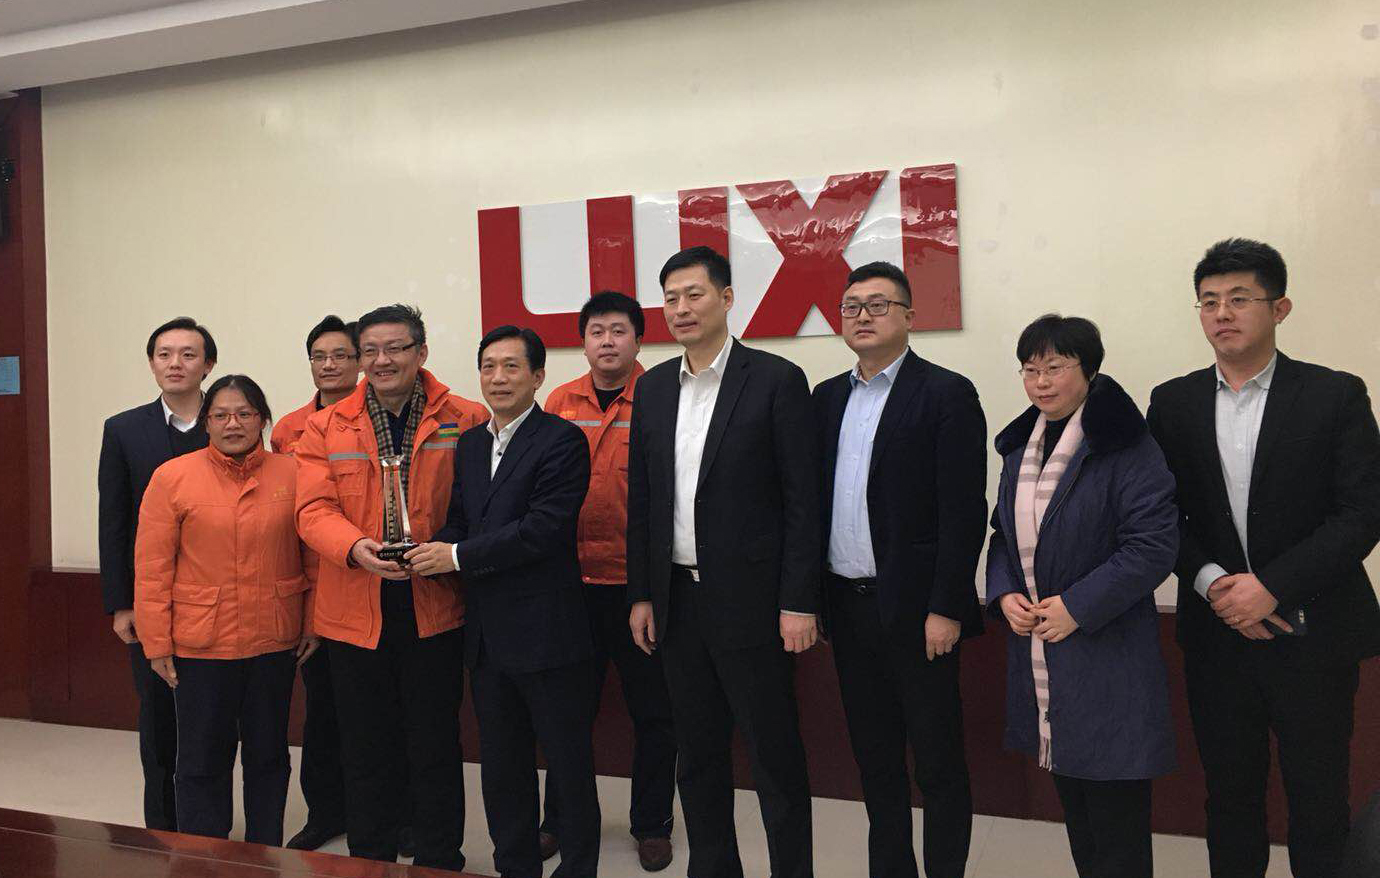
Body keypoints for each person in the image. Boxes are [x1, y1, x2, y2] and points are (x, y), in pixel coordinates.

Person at [1147, 238, 1380, 878]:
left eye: (1239, 298)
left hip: (1314, 634)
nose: (1222, 313)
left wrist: (1271, 587)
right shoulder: (1172, 402)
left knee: (1319, 799)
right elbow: (1158, 515)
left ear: (1279, 308)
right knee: (1229, 799)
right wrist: (1215, 585)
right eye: (1209, 301)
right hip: (1217, 635)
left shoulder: (1334, 395)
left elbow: (1362, 512)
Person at [627, 246, 820, 878]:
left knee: (774, 756)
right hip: (678, 601)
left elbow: (802, 501)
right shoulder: (654, 387)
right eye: (671, 298)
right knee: (697, 752)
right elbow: (644, 499)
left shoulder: (776, 379)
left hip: (755, 604)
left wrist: (798, 601)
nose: (681, 308)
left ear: (727, 298)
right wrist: (643, 593)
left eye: (695, 294)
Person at [295, 304, 486, 871]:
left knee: (435, 741)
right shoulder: (325, 426)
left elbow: (481, 504)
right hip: (355, 607)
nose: (382, 360)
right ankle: (370, 857)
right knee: (364, 744)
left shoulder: (466, 417)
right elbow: (312, 509)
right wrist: (356, 548)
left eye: (396, 348)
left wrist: (445, 549)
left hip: (437, 603)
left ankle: (438, 856)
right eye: (371, 350)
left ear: (421, 352)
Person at [987, 315, 1177, 878]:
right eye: (1030, 370)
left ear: (1089, 370)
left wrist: (1077, 606)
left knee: (1117, 819)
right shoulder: (1020, 448)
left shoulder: (1125, 443)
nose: (1041, 382)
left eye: (1055, 367)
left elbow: (1153, 545)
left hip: (1109, 652)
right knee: (1079, 815)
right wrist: (1004, 593)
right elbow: (1002, 536)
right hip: (1044, 652)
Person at [812, 262, 987, 878]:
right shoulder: (826, 398)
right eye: (852, 306)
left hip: (920, 614)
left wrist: (947, 606)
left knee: (937, 762)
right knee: (875, 759)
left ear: (910, 317)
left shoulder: (946, 393)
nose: (862, 316)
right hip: (848, 607)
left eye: (878, 304)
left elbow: (964, 511)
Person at [408, 326, 600, 878]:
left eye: (512, 367)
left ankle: (578, 868)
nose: (498, 378)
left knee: (567, 765)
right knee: (502, 767)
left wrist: (456, 556)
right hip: (487, 638)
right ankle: (515, 866)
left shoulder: (562, 440)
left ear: (538, 377)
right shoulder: (470, 444)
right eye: (489, 366)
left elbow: (541, 530)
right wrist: (425, 548)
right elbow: (462, 519)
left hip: (548, 634)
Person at [134, 374, 318, 844]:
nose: (232, 424)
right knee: (200, 759)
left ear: (262, 419)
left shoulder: (293, 473)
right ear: (206, 422)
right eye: (220, 415)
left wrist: (312, 621)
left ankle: (264, 853)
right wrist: (156, 643)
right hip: (201, 643)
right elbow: (152, 568)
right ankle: (203, 855)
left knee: (269, 756)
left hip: (273, 639)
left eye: (244, 414)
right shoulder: (172, 477)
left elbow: (313, 558)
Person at [539, 291, 676, 872]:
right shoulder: (559, 400)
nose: (608, 342)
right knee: (566, 713)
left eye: (619, 331)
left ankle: (652, 823)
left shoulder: (662, 395)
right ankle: (560, 820)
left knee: (655, 712)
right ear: (584, 342)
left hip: (639, 585)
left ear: (639, 340)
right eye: (597, 332)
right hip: (570, 583)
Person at [98, 316, 217, 831]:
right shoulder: (123, 429)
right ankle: (163, 830)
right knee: (156, 716)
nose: (175, 363)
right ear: (151, 363)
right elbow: (113, 521)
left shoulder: (231, 420)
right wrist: (120, 603)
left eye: (188, 354)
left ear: (208, 365)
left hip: (219, 598)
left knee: (212, 719)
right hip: (151, 599)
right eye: (164, 354)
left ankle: (208, 825)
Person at [271, 315, 367, 852]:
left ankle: (390, 813)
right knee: (322, 712)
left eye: (340, 355)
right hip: (312, 588)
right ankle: (326, 812)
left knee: (378, 710)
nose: (329, 365)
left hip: (368, 582)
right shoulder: (287, 429)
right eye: (318, 356)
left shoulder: (379, 417)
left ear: (360, 361)